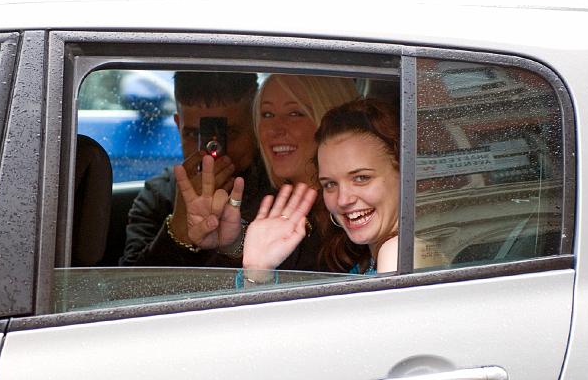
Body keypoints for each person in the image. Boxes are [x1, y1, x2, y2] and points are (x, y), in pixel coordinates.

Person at [239, 99, 447, 285]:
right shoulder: (370, 256)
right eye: (330, 184)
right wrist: (257, 269)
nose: (343, 200)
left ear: (406, 175)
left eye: (361, 178)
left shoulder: (397, 254)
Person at [172, 74, 360, 271]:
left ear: (331, 120)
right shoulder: (262, 203)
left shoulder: (357, 205)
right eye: (267, 114)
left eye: (295, 113)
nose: (275, 129)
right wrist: (233, 244)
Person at [120, 71, 263, 267]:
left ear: (257, 125)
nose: (212, 150)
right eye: (194, 134)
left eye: (228, 133)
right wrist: (178, 230)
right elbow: (129, 290)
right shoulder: (160, 195)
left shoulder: (278, 188)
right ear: (178, 126)